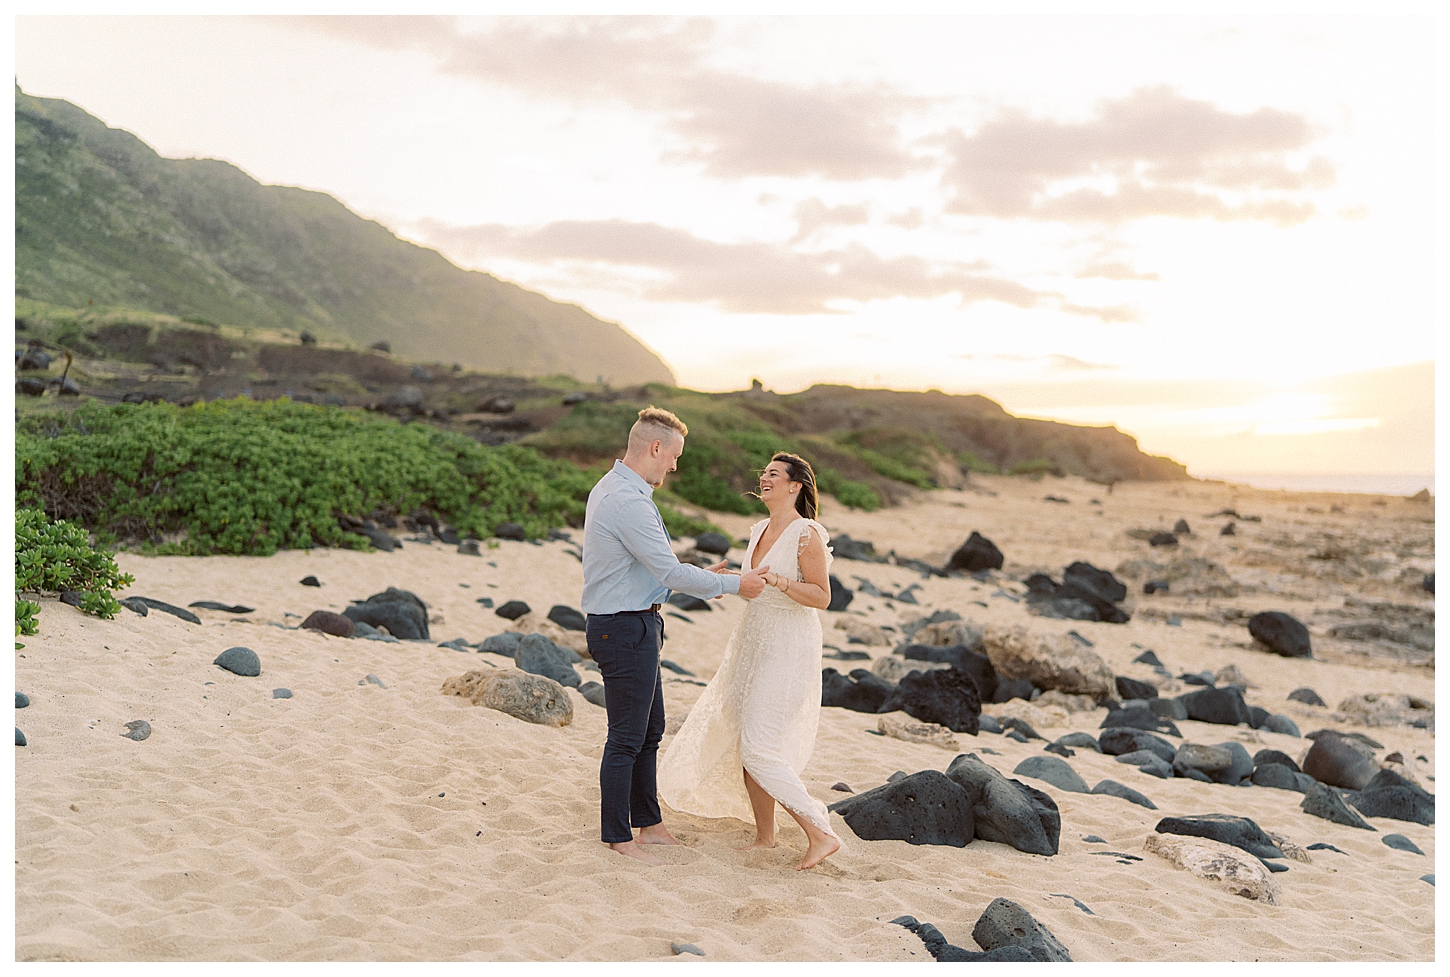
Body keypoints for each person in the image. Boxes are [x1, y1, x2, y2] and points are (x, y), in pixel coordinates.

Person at [581, 406, 772, 866]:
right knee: (626, 737)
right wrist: (733, 585)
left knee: (650, 730)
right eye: (674, 456)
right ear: (655, 447)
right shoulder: (626, 501)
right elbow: (667, 569)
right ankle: (618, 836)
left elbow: (648, 571)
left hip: (635, 623)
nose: (675, 465)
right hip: (623, 629)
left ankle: (650, 825)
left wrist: (701, 577)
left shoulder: (621, 489)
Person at [658, 451, 843, 871]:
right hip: (751, 640)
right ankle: (766, 836)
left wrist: (778, 581)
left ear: (795, 486)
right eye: (764, 472)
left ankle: (821, 833)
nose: (764, 478)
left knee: (760, 747)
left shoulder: (805, 534)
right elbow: (750, 585)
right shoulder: (759, 528)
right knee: (746, 739)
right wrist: (724, 582)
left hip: (788, 644)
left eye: (774, 474)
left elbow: (822, 596)